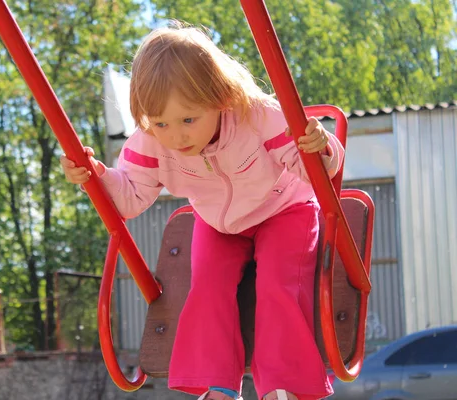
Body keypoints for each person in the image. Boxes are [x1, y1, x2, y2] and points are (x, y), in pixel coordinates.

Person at [60, 22, 343, 400]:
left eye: (188, 120)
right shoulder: (151, 142)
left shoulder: (257, 117)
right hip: (218, 223)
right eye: (161, 123)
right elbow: (128, 199)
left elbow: (313, 171)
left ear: (219, 96)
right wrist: (96, 177)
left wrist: (319, 149)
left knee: (278, 284)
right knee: (207, 287)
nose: (176, 137)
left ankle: (283, 387)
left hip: (283, 209)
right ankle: (218, 387)